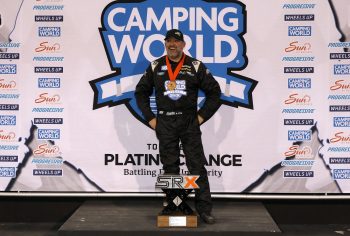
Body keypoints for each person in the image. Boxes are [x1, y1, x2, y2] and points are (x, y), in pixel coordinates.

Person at [135, 29, 221, 224]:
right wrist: (150, 118)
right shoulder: (156, 66)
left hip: (189, 121)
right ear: (165, 44)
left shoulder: (195, 66)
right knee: (170, 166)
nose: (172, 44)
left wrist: (201, 117)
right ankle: (175, 205)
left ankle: (205, 210)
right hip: (164, 122)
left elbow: (215, 93)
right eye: (169, 41)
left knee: (196, 166)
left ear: (183, 44)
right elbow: (141, 93)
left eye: (176, 41)